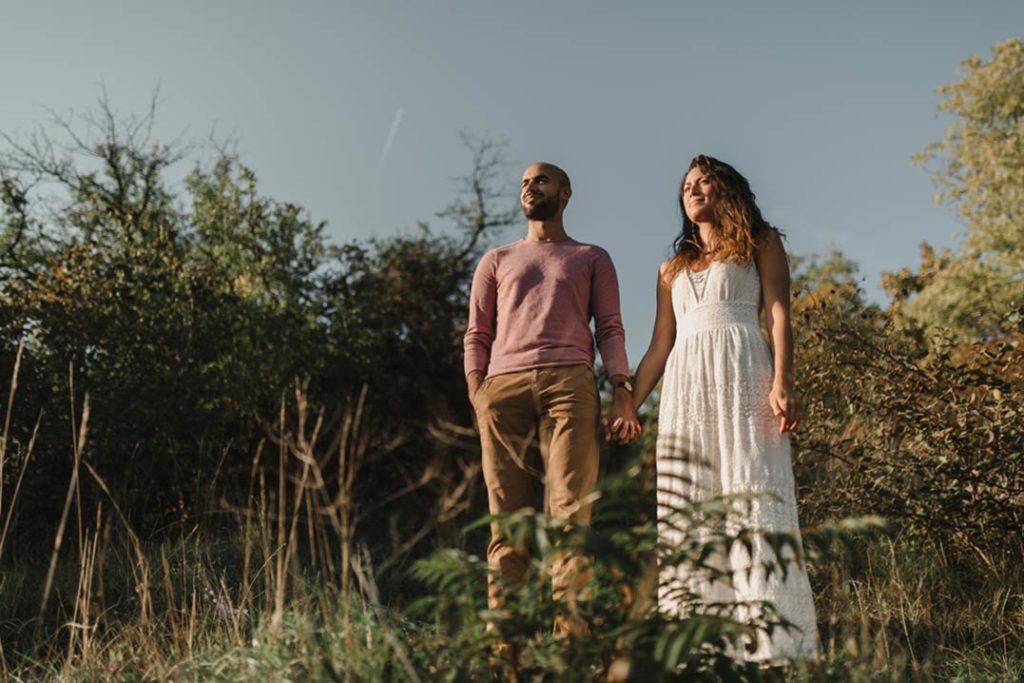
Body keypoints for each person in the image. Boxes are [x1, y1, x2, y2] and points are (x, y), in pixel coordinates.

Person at [625, 154, 820, 661]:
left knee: (750, 489)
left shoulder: (761, 241)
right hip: (686, 389)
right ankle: (702, 646)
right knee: (691, 505)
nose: (692, 190)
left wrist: (783, 379)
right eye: (686, 185)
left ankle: (772, 645)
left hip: (743, 373)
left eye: (703, 182)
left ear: (726, 190)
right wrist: (627, 402)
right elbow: (658, 349)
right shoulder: (671, 269)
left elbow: (779, 312)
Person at [464, 161, 641, 638]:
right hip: (503, 391)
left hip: (570, 386)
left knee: (569, 514)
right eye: (524, 181)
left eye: (540, 179)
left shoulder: (590, 257)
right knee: (509, 525)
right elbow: (476, 334)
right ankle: (508, 646)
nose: (529, 186)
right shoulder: (496, 260)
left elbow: (609, 327)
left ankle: (569, 645)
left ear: (565, 193)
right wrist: (477, 392)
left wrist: (621, 391)